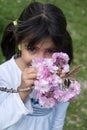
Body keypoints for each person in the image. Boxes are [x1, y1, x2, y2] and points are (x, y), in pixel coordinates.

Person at [0, 2, 73, 130]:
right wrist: (22, 92)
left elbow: (58, 116)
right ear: (19, 42)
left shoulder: (60, 74)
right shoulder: (4, 74)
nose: (40, 60)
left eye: (50, 51)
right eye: (32, 49)